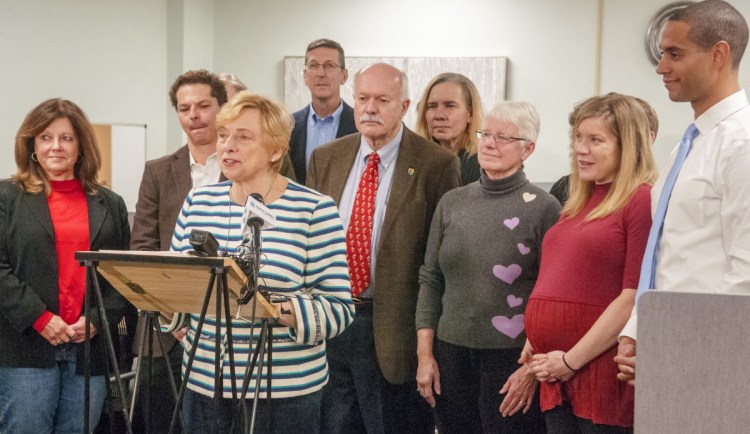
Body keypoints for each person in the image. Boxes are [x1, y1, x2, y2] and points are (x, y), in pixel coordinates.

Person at [168, 91, 354, 433]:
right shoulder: (198, 201)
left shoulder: (313, 209)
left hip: (284, 394)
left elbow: (338, 308)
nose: (228, 146)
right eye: (224, 136)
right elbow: (178, 295)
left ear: (276, 150)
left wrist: (275, 310)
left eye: (243, 137)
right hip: (204, 385)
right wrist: (159, 301)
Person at [308, 63, 460, 434]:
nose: (370, 108)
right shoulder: (326, 158)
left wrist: (428, 348)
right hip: (329, 324)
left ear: (405, 106)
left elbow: (436, 262)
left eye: (382, 99)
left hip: (394, 332)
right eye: (362, 98)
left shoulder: (436, 164)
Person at [617, 0, 750, 385]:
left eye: (674, 54)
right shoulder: (687, 146)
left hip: (712, 359)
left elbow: (745, 272)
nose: (661, 68)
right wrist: (638, 328)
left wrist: (691, 351)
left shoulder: (741, 143)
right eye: (661, 55)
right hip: (670, 345)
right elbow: (666, 254)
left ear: (719, 54)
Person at [415, 101, 559, 433]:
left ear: (528, 149)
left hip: (511, 360)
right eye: (486, 134)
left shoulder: (545, 208)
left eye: (504, 137)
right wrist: (425, 355)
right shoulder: (453, 202)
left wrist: (530, 370)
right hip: (450, 355)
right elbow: (431, 279)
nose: (490, 143)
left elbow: (548, 293)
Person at [524, 93, 657, 433]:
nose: (581, 149)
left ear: (626, 146)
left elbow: (633, 296)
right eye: (578, 139)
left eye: (595, 140)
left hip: (598, 372)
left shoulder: (640, 199)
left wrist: (570, 361)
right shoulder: (577, 202)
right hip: (556, 371)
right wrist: (535, 340)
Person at [0, 98, 131, 433]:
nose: (55, 147)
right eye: (45, 138)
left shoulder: (110, 203)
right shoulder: (7, 197)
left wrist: (99, 321)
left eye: (66, 138)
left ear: (81, 146)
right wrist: (40, 318)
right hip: (27, 346)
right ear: (31, 145)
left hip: (89, 348)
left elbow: (122, 274)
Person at [130, 68, 229, 433]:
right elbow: (143, 251)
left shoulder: (246, 168)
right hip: (163, 334)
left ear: (223, 108)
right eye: (185, 108)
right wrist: (175, 319)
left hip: (228, 327)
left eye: (203, 105)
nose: (194, 116)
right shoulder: (157, 172)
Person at [549, 96, 659, 206]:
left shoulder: (642, 198)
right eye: (578, 136)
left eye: (595, 140)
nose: (580, 149)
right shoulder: (569, 188)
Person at [289, 38, 358, 185]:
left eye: (329, 65)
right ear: (305, 76)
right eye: (313, 65)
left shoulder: (360, 125)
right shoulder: (288, 126)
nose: (321, 73)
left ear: (344, 76)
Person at [415, 72, 484, 185]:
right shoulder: (411, 160)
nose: (439, 115)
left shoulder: (484, 166)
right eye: (432, 106)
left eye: (450, 106)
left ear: (470, 114)